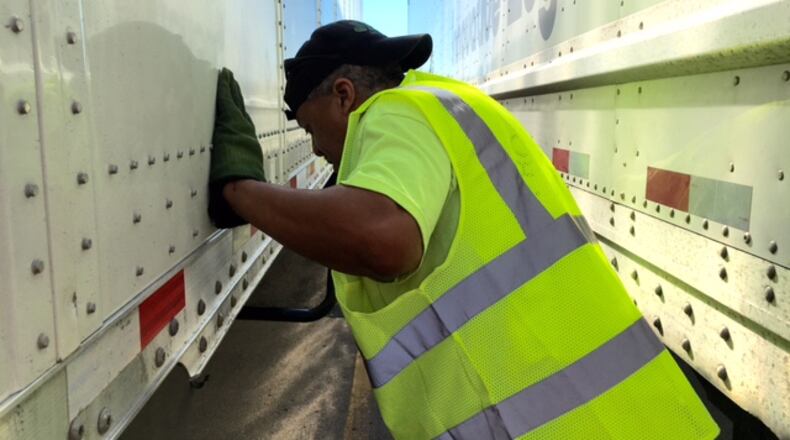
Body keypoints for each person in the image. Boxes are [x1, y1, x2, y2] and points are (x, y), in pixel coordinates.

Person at [208, 20, 719, 440]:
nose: (317, 148)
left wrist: (241, 192)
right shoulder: (448, 104)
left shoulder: (394, 112)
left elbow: (382, 239)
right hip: (620, 417)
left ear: (344, 96)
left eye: (309, 128)